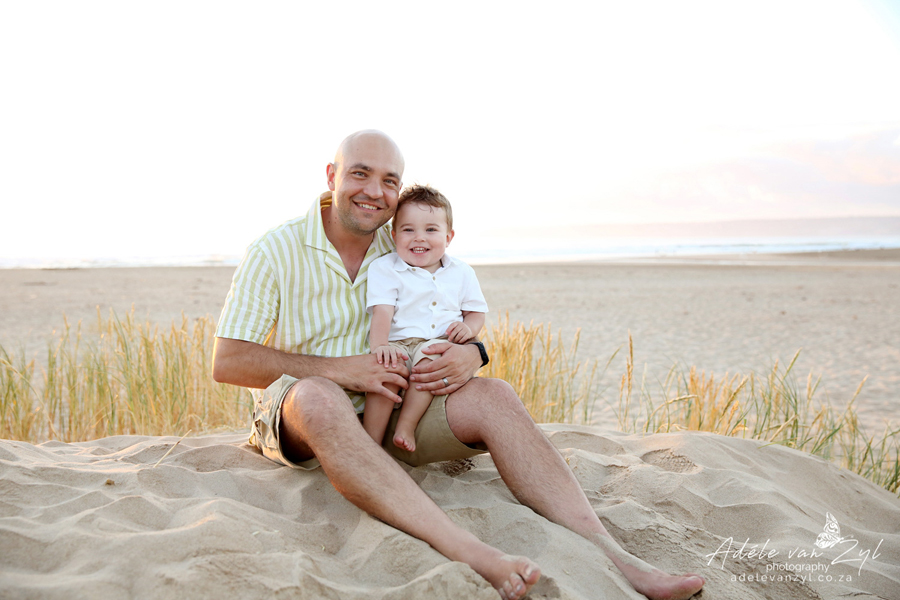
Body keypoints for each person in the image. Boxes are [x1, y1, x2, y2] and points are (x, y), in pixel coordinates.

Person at [212, 129, 705, 600]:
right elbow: (228, 361)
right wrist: (342, 370)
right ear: (331, 175)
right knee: (320, 396)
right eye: (360, 173)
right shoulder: (275, 250)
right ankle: (469, 550)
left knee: (496, 395)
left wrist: (474, 354)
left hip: (395, 408)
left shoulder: (404, 237)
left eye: (389, 180)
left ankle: (618, 558)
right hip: (301, 418)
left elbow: (451, 317)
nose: (375, 192)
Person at [363, 184, 487, 453]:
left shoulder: (462, 272)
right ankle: (370, 441)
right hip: (397, 342)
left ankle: (406, 425)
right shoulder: (385, 268)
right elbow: (382, 312)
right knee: (384, 371)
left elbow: (476, 312)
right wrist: (380, 346)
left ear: (448, 236)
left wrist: (468, 328)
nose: (419, 238)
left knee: (430, 365)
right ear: (394, 235)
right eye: (408, 230)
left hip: (437, 342)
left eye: (431, 230)